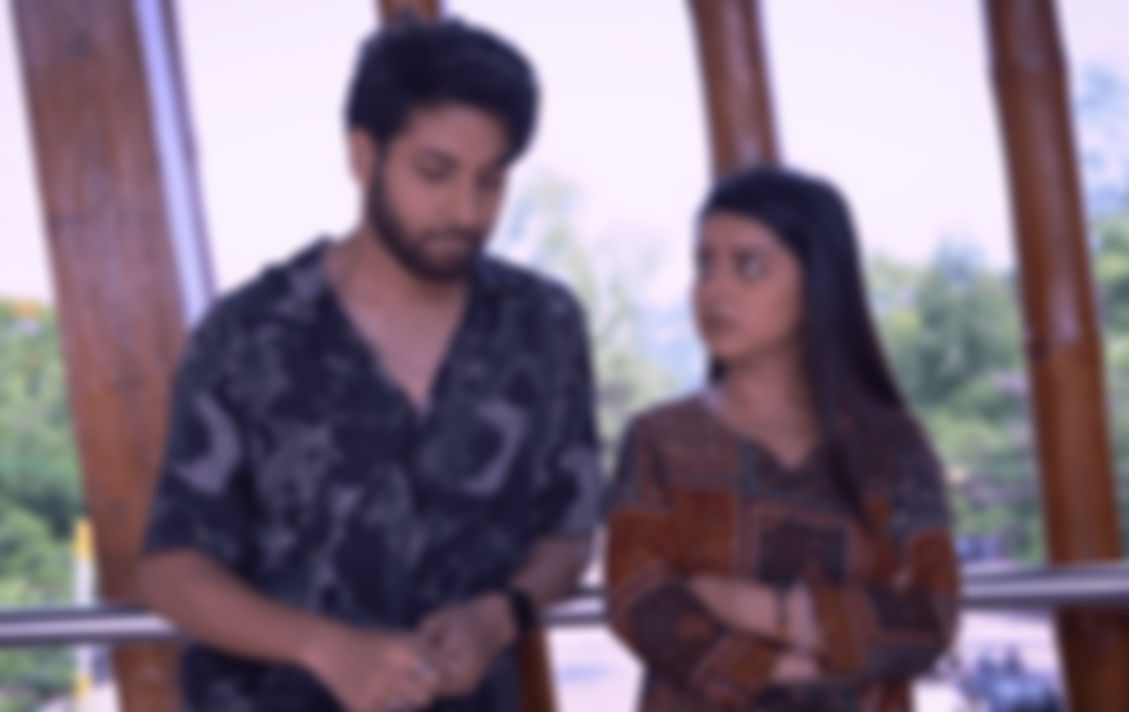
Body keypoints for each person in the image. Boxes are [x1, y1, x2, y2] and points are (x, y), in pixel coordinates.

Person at [137, 15, 603, 712]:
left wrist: (500, 613)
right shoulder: (248, 333)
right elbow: (171, 570)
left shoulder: (543, 325)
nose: (466, 210)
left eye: (491, 180)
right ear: (363, 155)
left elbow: (568, 534)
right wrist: (327, 649)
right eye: (434, 173)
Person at [605, 167, 959, 711]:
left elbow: (930, 615)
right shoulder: (660, 440)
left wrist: (763, 609)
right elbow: (638, 602)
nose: (715, 289)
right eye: (704, 264)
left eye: (749, 266)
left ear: (818, 284)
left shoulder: (893, 448)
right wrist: (803, 659)